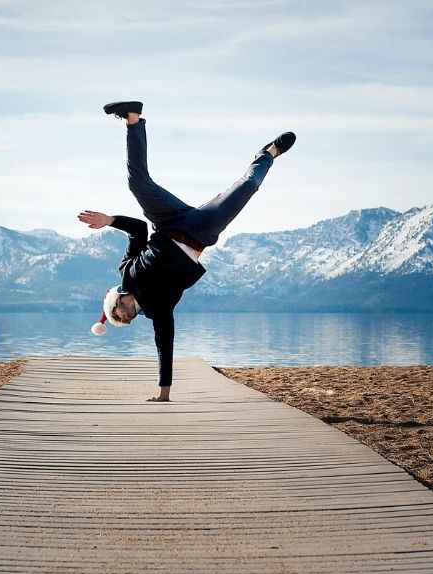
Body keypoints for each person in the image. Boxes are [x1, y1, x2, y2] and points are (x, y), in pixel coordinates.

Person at [79, 101, 295, 402]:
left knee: (137, 183)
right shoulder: (157, 311)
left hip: (167, 220)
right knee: (245, 188)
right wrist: (163, 394)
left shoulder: (126, 271)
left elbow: (139, 229)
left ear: (116, 301)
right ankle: (269, 154)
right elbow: (164, 344)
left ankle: (132, 119)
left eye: (119, 314)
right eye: (124, 321)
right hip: (200, 231)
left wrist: (109, 220)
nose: (125, 318)